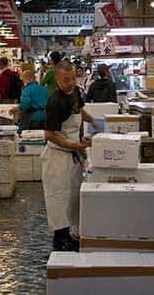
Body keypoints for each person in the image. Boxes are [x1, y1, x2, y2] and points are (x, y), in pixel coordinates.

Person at [42, 60, 101, 251]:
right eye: (66, 80)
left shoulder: (75, 92)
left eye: (73, 78)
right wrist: (73, 145)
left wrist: (92, 120)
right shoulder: (55, 102)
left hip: (73, 154)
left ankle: (69, 236)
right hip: (58, 156)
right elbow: (49, 135)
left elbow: (79, 110)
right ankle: (59, 240)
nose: (71, 83)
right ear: (57, 80)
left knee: (72, 197)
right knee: (59, 198)